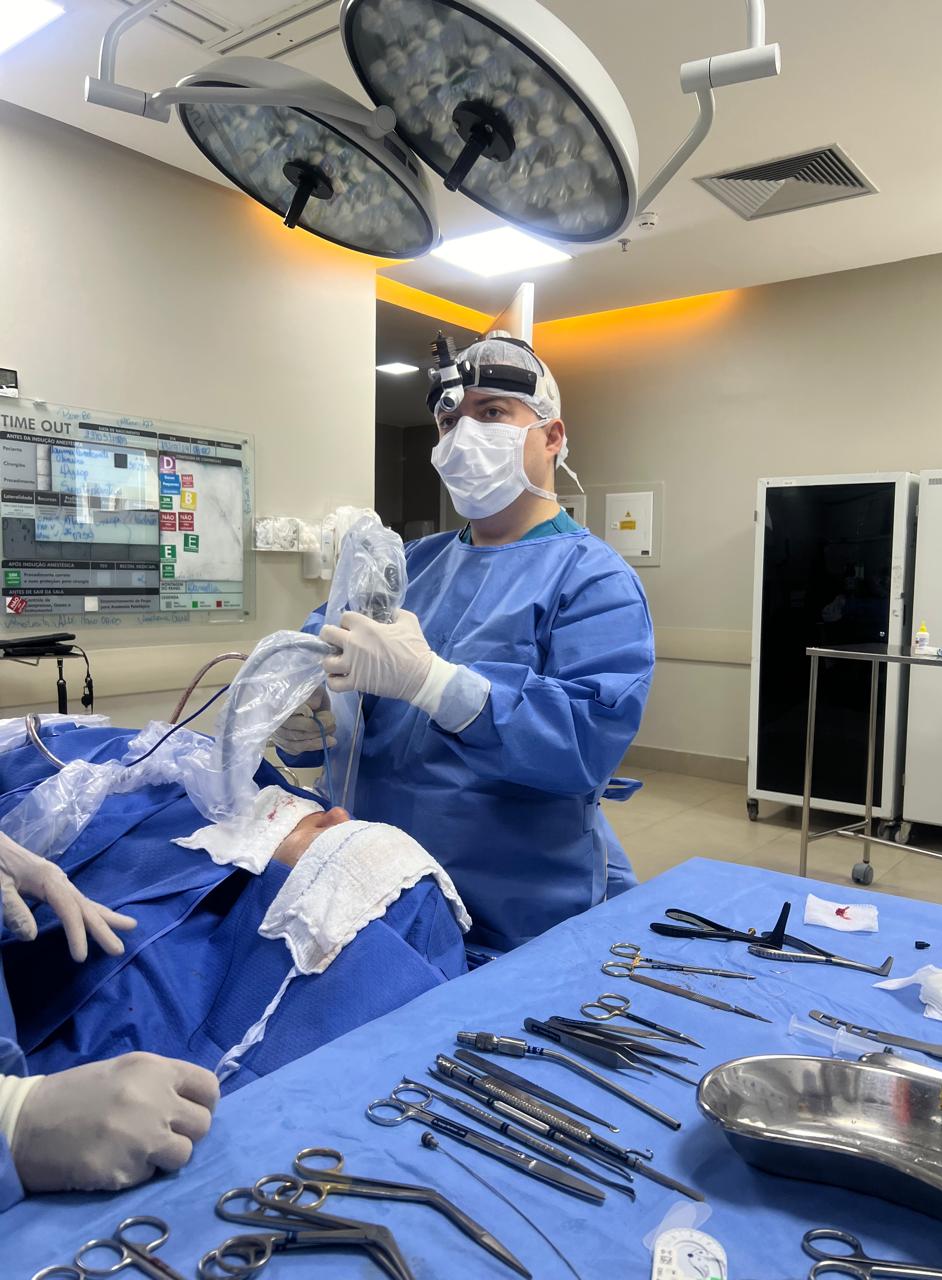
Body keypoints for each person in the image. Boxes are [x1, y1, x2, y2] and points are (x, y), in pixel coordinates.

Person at [277, 338, 655, 952]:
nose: (464, 435)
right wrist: (307, 709)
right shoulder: (407, 566)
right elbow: (320, 654)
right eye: (450, 421)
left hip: (510, 917)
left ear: (552, 436)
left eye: (492, 412)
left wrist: (432, 683)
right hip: (375, 889)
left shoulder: (594, 581)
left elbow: (582, 745)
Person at [0, 716, 468, 1206]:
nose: (339, 813)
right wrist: (14, 1120)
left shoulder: (385, 930)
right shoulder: (181, 792)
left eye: (342, 837)